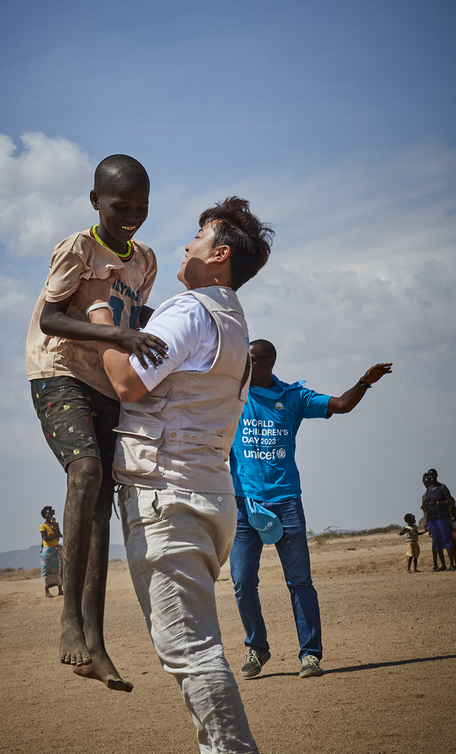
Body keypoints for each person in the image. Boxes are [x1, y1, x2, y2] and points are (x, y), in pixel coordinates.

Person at [85, 197, 274, 754]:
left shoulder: (189, 310)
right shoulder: (233, 321)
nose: (183, 246)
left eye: (195, 237)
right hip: (207, 495)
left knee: (190, 651)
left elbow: (126, 383)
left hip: (169, 497)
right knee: (199, 645)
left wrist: (99, 309)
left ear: (218, 255)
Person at [26, 154, 165, 690]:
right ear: (94, 202)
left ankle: (95, 645)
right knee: (84, 472)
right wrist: (117, 336)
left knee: (103, 504)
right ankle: (68, 623)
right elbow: (51, 317)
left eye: (140, 207)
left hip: (106, 382)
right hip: (57, 372)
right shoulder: (78, 249)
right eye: (119, 205)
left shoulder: (145, 260)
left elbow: (134, 317)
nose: (130, 215)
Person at [229, 339, 392, 680]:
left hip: (286, 500)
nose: (243, 363)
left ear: (267, 362)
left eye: (251, 359)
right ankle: (257, 647)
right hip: (244, 504)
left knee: (300, 580)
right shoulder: (231, 396)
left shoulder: (294, 397)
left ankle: (310, 655)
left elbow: (342, 404)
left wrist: (364, 381)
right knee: (242, 580)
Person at [422, 468, 455, 571]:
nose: (431, 478)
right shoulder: (428, 490)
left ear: (436, 475)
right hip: (432, 519)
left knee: (447, 540)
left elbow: (449, 501)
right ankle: (443, 565)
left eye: (433, 476)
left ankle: (452, 564)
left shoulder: (442, 487)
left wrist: (438, 503)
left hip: (442, 518)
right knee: (437, 541)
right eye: (430, 476)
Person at [40, 506, 64, 597]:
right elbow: (45, 538)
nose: (50, 515)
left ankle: (60, 590)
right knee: (46, 569)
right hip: (48, 550)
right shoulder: (43, 526)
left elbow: (59, 535)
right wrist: (55, 535)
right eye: (48, 514)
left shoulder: (55, 525)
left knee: (58, 569)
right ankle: (47, 591)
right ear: (44, 516)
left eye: (51, 513)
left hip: (56, 549)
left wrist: (54, 526)